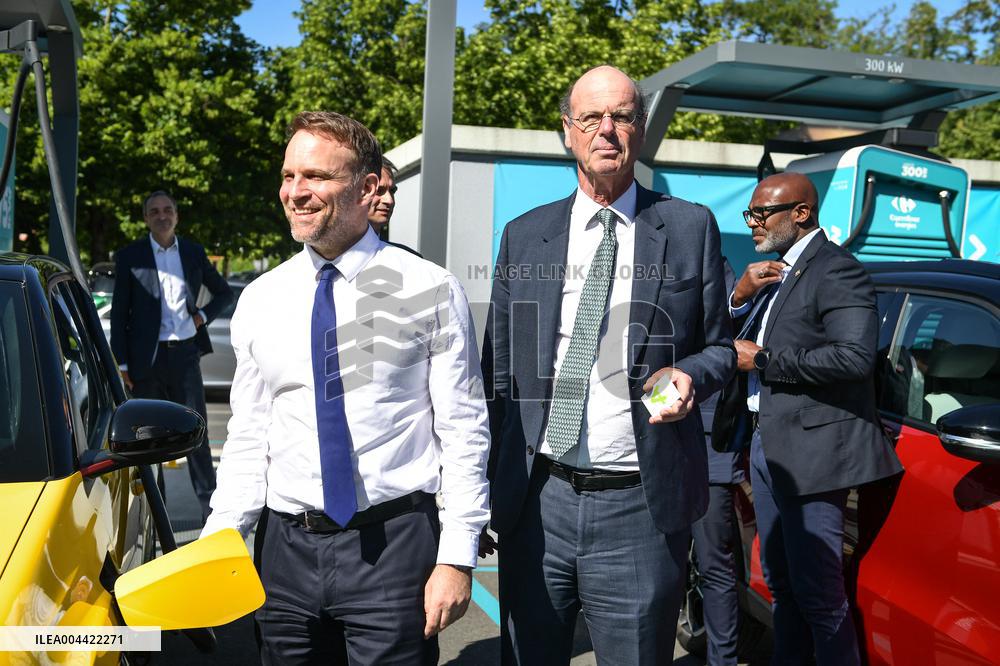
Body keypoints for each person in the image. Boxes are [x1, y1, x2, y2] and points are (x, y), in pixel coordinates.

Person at [202, 111, 490, 665]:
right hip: (283, 554)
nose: (295, 192)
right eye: (288, 176)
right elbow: (248, 435)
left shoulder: (429, 289)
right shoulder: (263, 297)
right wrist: (224, 538)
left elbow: (464, 430)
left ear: (366, 188)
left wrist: (457, 555)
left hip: (393, 548)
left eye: (316, 177)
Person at [482, 65, 735, 666]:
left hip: (639, 511)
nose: (607, 130)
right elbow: (497, 371)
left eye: (621, 116)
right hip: (539, 504)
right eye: (591, 117)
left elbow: (722, 348)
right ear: (568, 131)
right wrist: (485, 490)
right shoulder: (525, 235)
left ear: (640, 130)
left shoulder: (688, 226)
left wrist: (690, 375)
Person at [729, 172, 902, 664]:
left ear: (800, 213)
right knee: (782, 587)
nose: (754, 223)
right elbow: (733, 338)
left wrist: (763, 361)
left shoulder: (837, 270)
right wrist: (740, 295)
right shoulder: (775, 271)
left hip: (814, 456)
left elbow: (853, 359)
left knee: (820, 596)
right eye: (751, 213)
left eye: (762, 213)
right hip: (767, 446)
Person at [110, 190, 233, 521]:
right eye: (154, 211)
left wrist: (202, 317)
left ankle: (212, 511)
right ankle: (156, 512)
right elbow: (120, 314)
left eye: (167, 210)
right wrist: (121, 364)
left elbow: (223, 292)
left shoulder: (193, 252)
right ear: (146, 218)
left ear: (176, 215)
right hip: (145, 363)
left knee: (197, 434)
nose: (162, 216)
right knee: (150, 440)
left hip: (185, 355)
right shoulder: (130, 256)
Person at [692, 259, 745, 666]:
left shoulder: (710, 265)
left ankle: (722, 661)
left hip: (710, 447)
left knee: (714, 564)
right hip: (646, 439)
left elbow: (728, 317)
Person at [367, 156, 397, 239]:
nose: (389, 200)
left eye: (392, 191)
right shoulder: (330, 250)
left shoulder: (402, 252)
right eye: (378, 190)